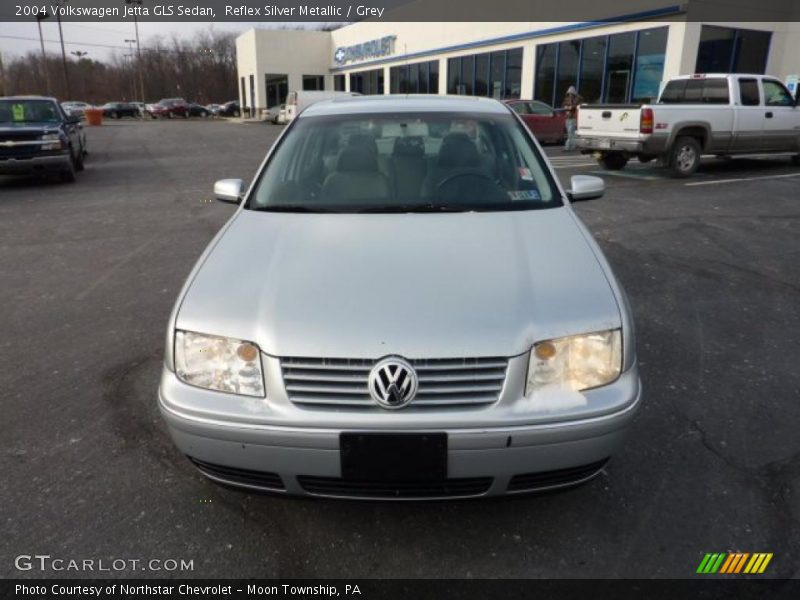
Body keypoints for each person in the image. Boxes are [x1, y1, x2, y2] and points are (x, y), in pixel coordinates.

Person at [562, 86, 583, 152]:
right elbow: (564, 105)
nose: (570, 94)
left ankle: (567, 147)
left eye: (571, 93)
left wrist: (570, 106)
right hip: (567, 118)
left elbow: (575, 106)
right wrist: (568, 106)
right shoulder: (567, 98)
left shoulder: (577, 99)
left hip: (573, 118)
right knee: (570, 133)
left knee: (571, 133)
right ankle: (573, 146)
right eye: (569, 93)